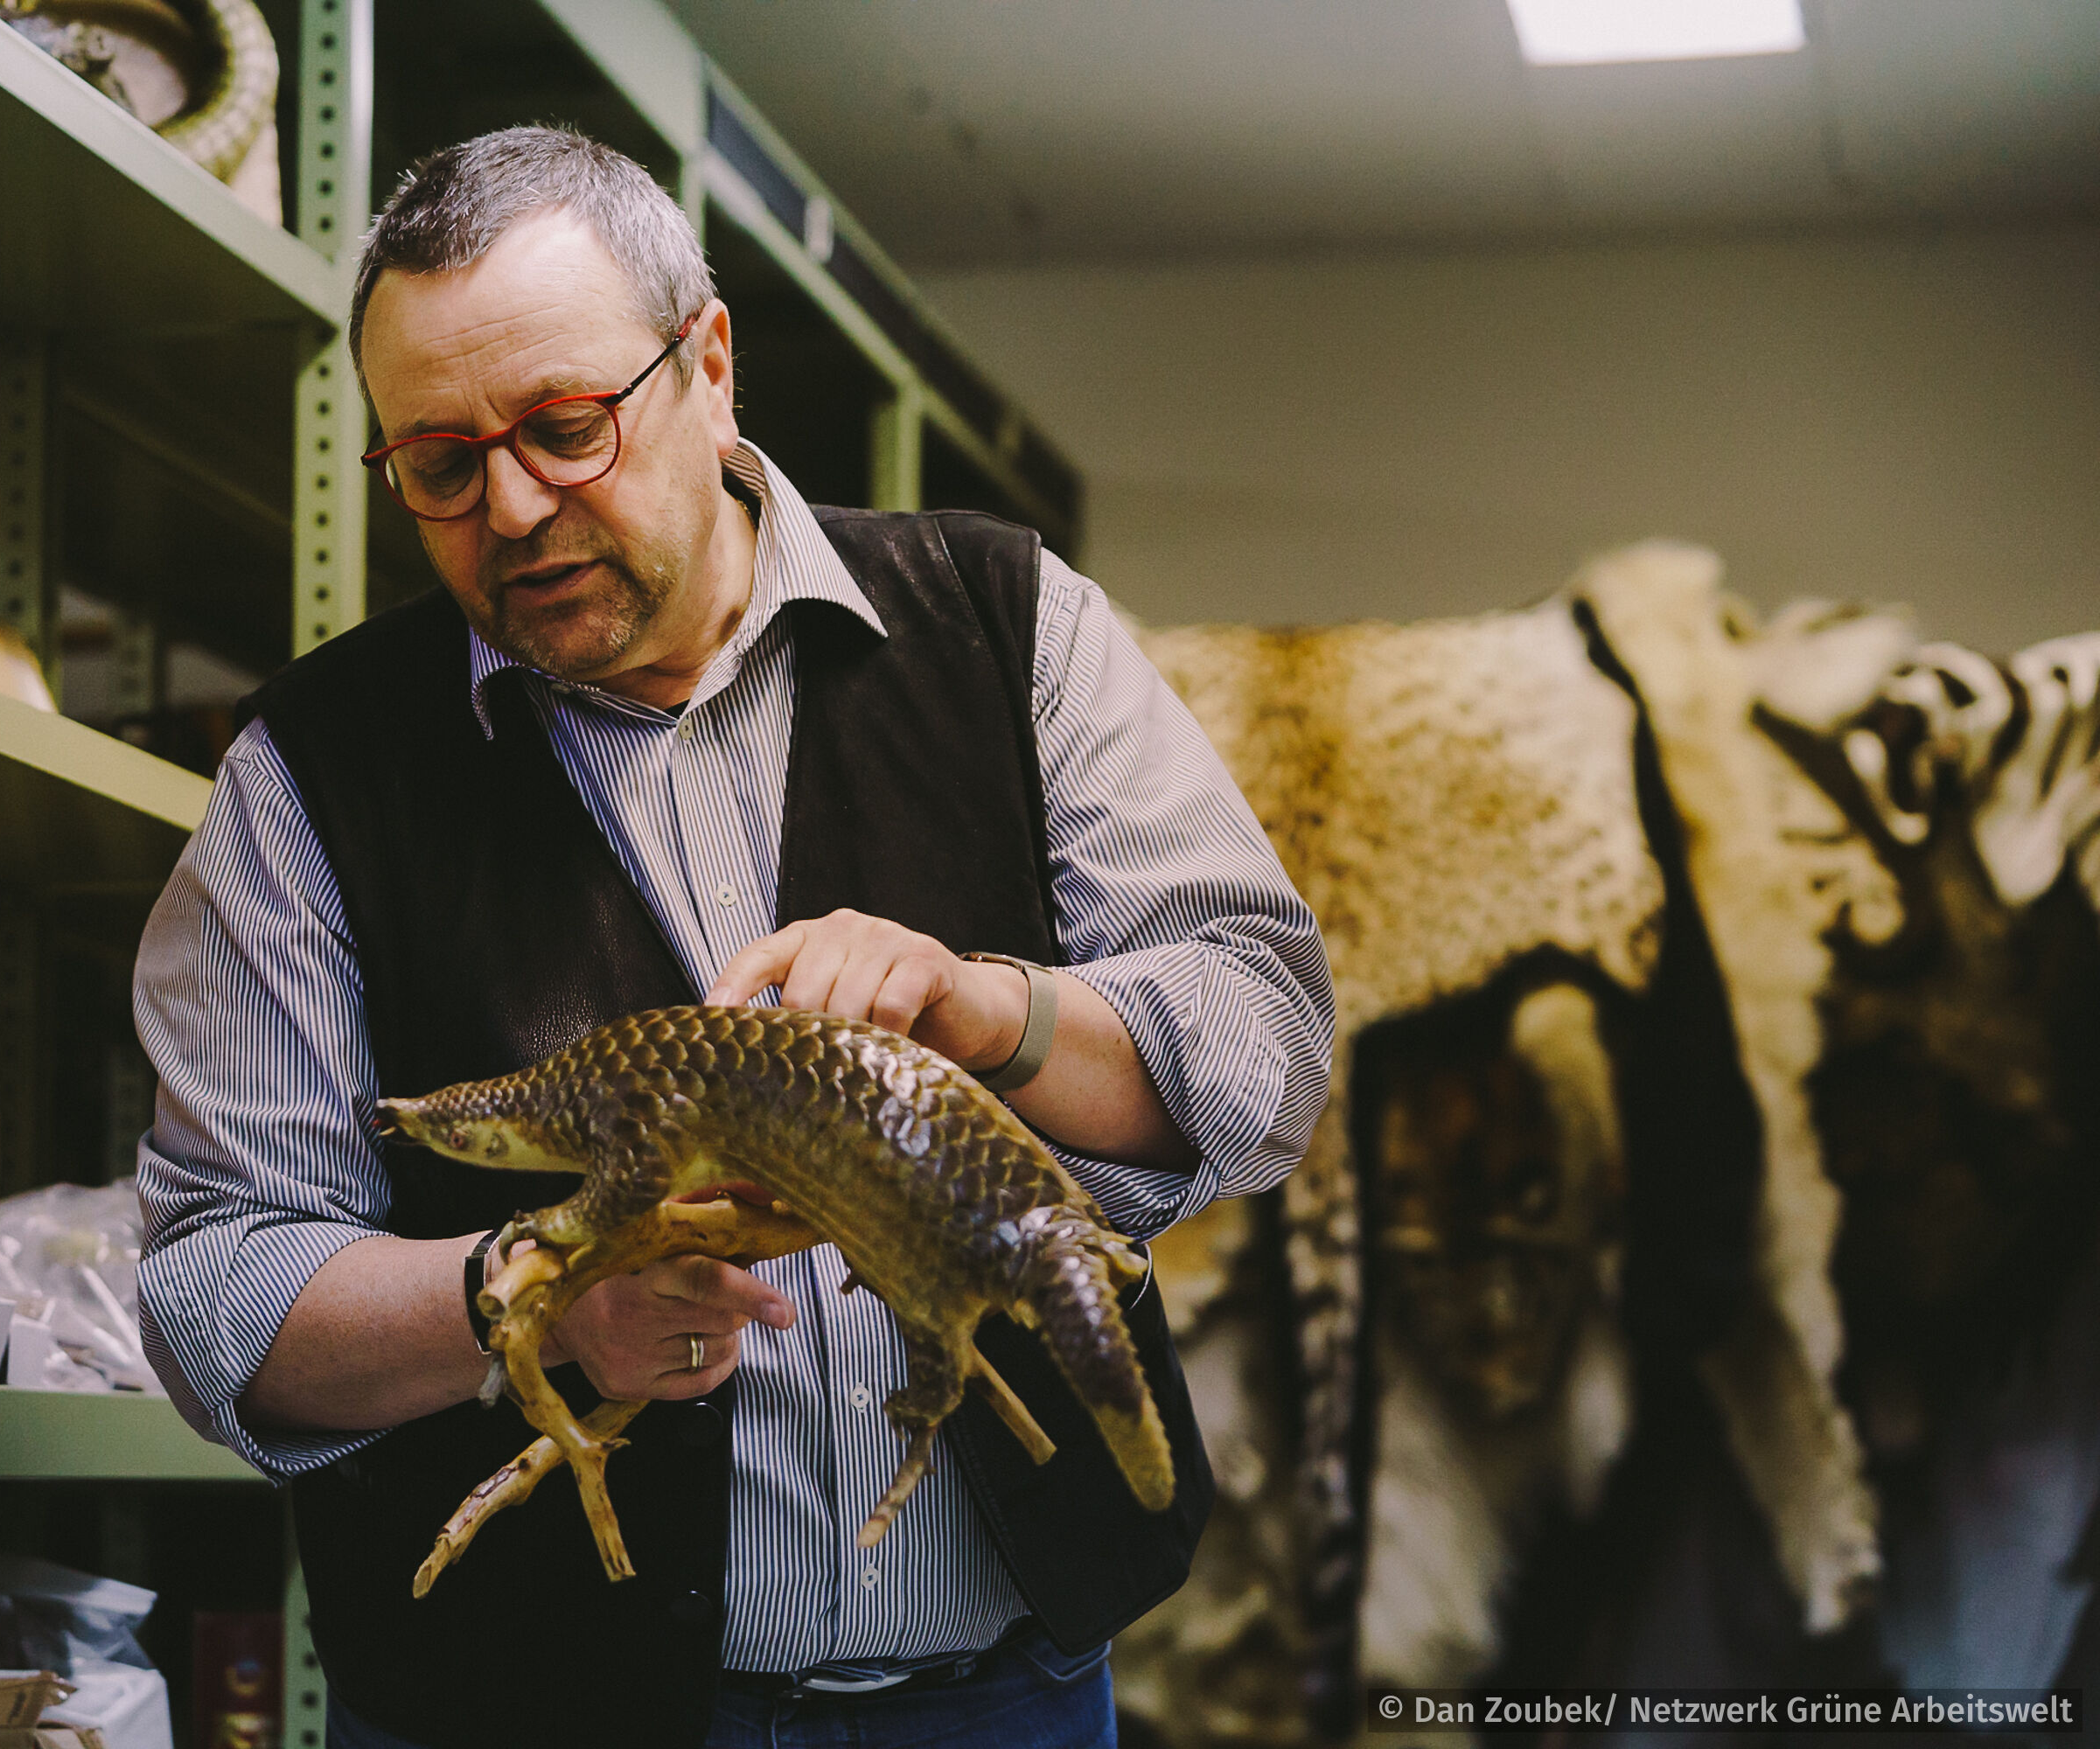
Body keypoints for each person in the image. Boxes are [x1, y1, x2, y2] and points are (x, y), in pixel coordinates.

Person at [135, 125, 1334, 1749]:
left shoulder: (1004, 627)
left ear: (707, 366)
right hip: (529, 1723)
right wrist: (526, 1293)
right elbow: (212, 1287)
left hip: (1004, 1703)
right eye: (440, 465)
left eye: (567, 429)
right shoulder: (317, 774)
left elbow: (1264, 1043)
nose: (513, 507)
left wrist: (995, 1014)